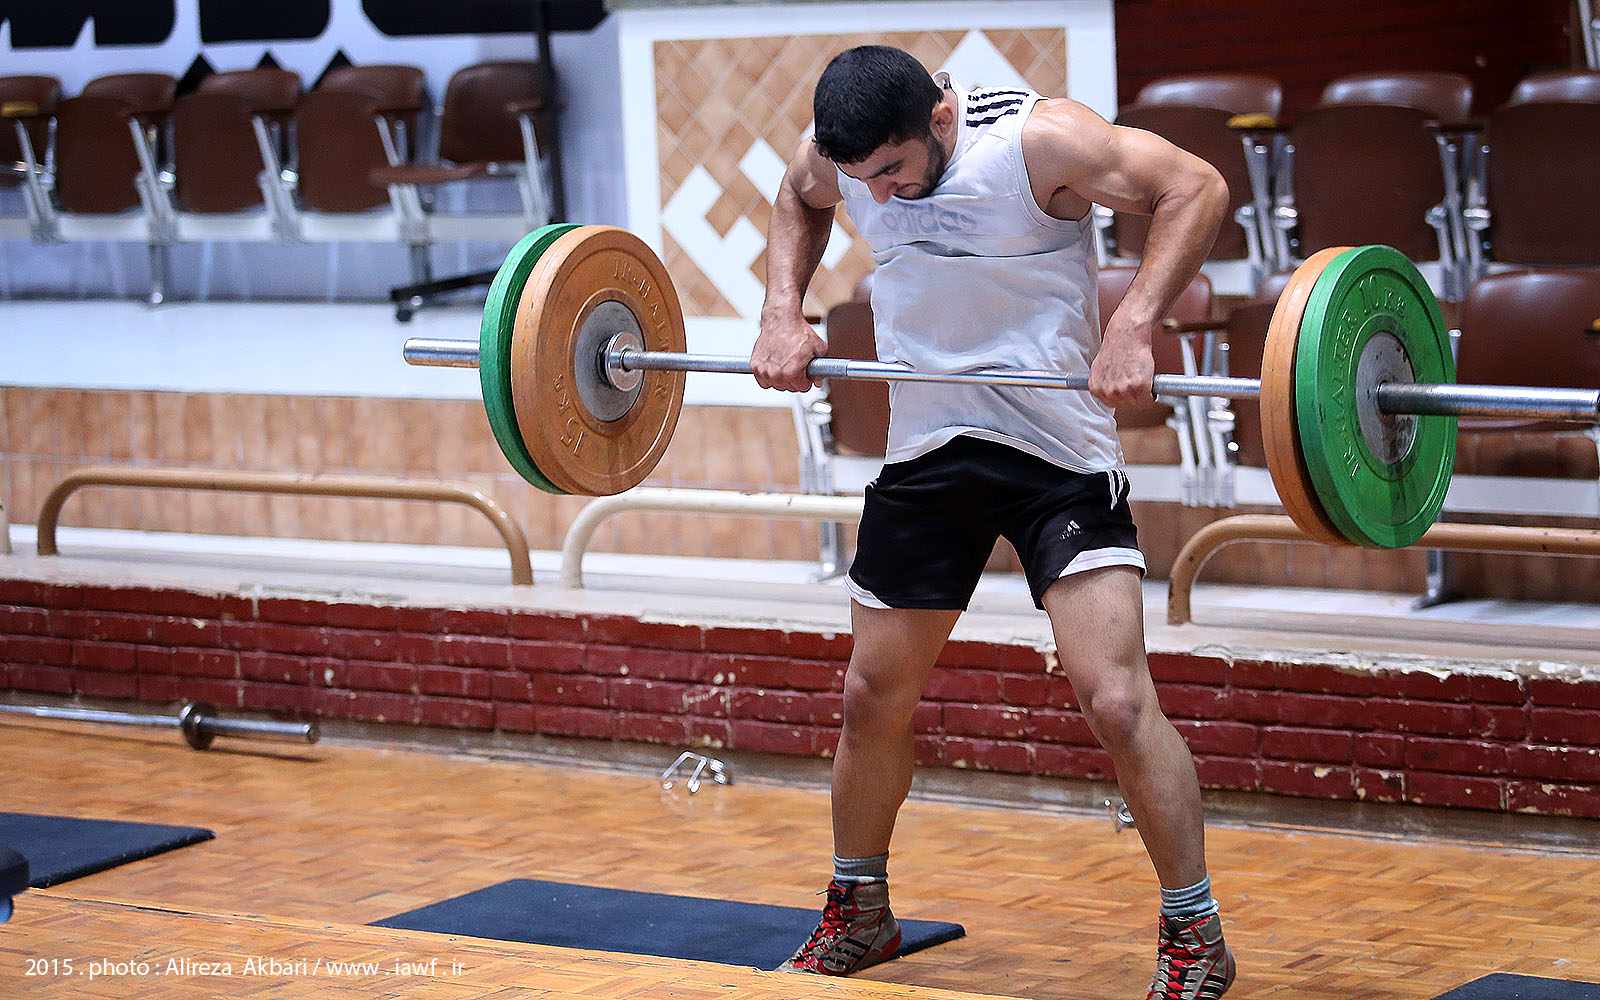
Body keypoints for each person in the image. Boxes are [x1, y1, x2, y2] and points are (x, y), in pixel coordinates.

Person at [750, 45, 1234, 1000]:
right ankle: (861, 912)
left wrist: (1134, 321)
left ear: (940, 118)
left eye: (891, 171)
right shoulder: (846, 161)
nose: (876, 196)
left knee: (1116, 701)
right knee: (870, 697)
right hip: (931, 450)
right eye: (860, 178)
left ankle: (1196, 934)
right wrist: (781, 310)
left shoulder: (1037, 141)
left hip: (1057, 456)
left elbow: (1197, 187)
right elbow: (799, 196)